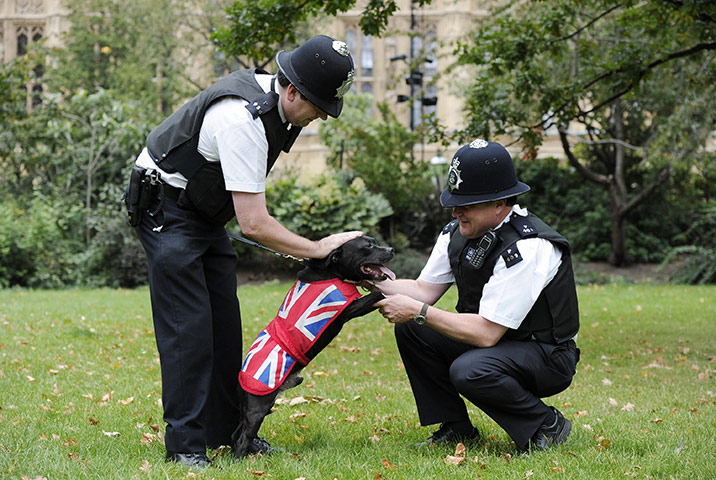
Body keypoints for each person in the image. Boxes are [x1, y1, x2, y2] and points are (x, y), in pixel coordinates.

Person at [124, 35, 361, 468]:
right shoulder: (242, 121)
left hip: (202, 213)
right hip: (167, 208)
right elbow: (253, 222)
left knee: (224, 326)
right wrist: (317, 249)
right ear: (292, 91)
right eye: (318, 108)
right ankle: (185, 447)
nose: (319, 118)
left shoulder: (277, 109)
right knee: (189, 329)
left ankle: (228, 434)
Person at [373, 139, 580, 452]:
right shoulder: (456, 232)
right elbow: (423, 291)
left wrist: (419, 311)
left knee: (469, 369)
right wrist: (366, 278)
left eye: (466, 203)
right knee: (412, 329)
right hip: (499, 344)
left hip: (545, 356)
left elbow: (486, 334)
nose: (455, 211)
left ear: (499, 204)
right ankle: (456, 428)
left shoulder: (528, 247)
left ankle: (545, 424)